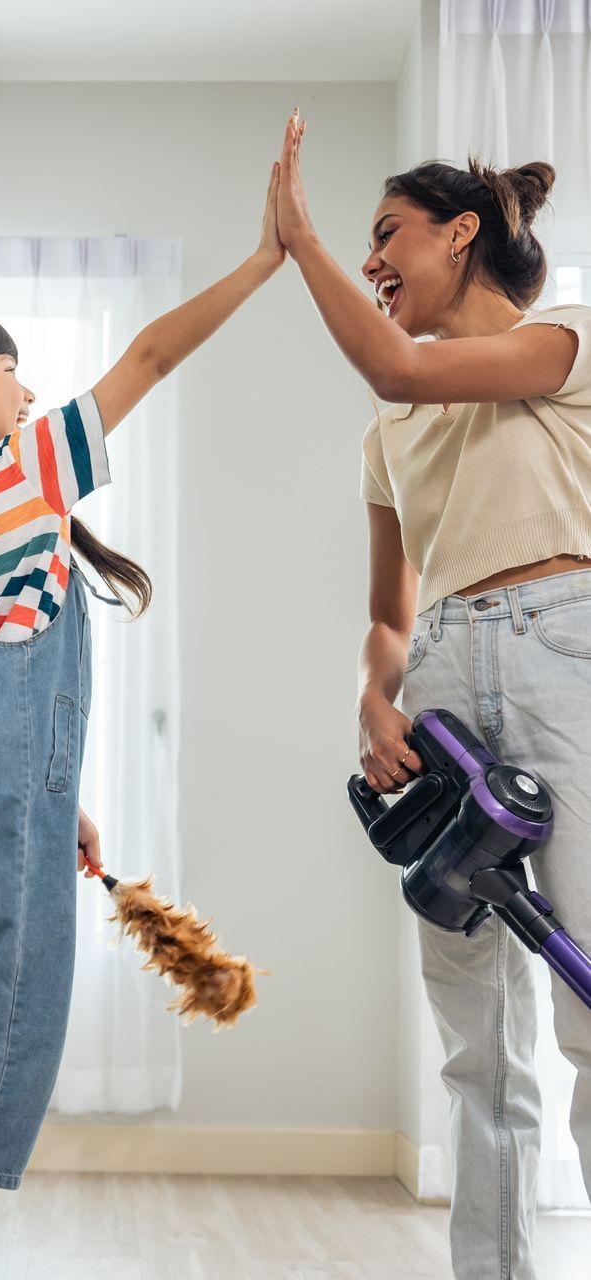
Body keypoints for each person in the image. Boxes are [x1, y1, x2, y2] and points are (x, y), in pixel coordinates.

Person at [0, 162, 286, 1280]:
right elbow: (148, 357)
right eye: (5, 369)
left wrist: (56, 799)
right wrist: (263, 259)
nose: (24, 386)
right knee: (8, 1000)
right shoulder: (13, 479)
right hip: (5, 769)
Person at [276, 108, 591, 1279]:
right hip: (446, 679)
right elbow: (388, 616)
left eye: (385, 235)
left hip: (566, 655)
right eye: (354, 241)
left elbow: (394, 355)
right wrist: (373, 698)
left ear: (459, 235)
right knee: (476, 1037)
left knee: (584, 1003)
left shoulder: (566, 342)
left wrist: (297, 240)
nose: (369, 259)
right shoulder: (387, 427)